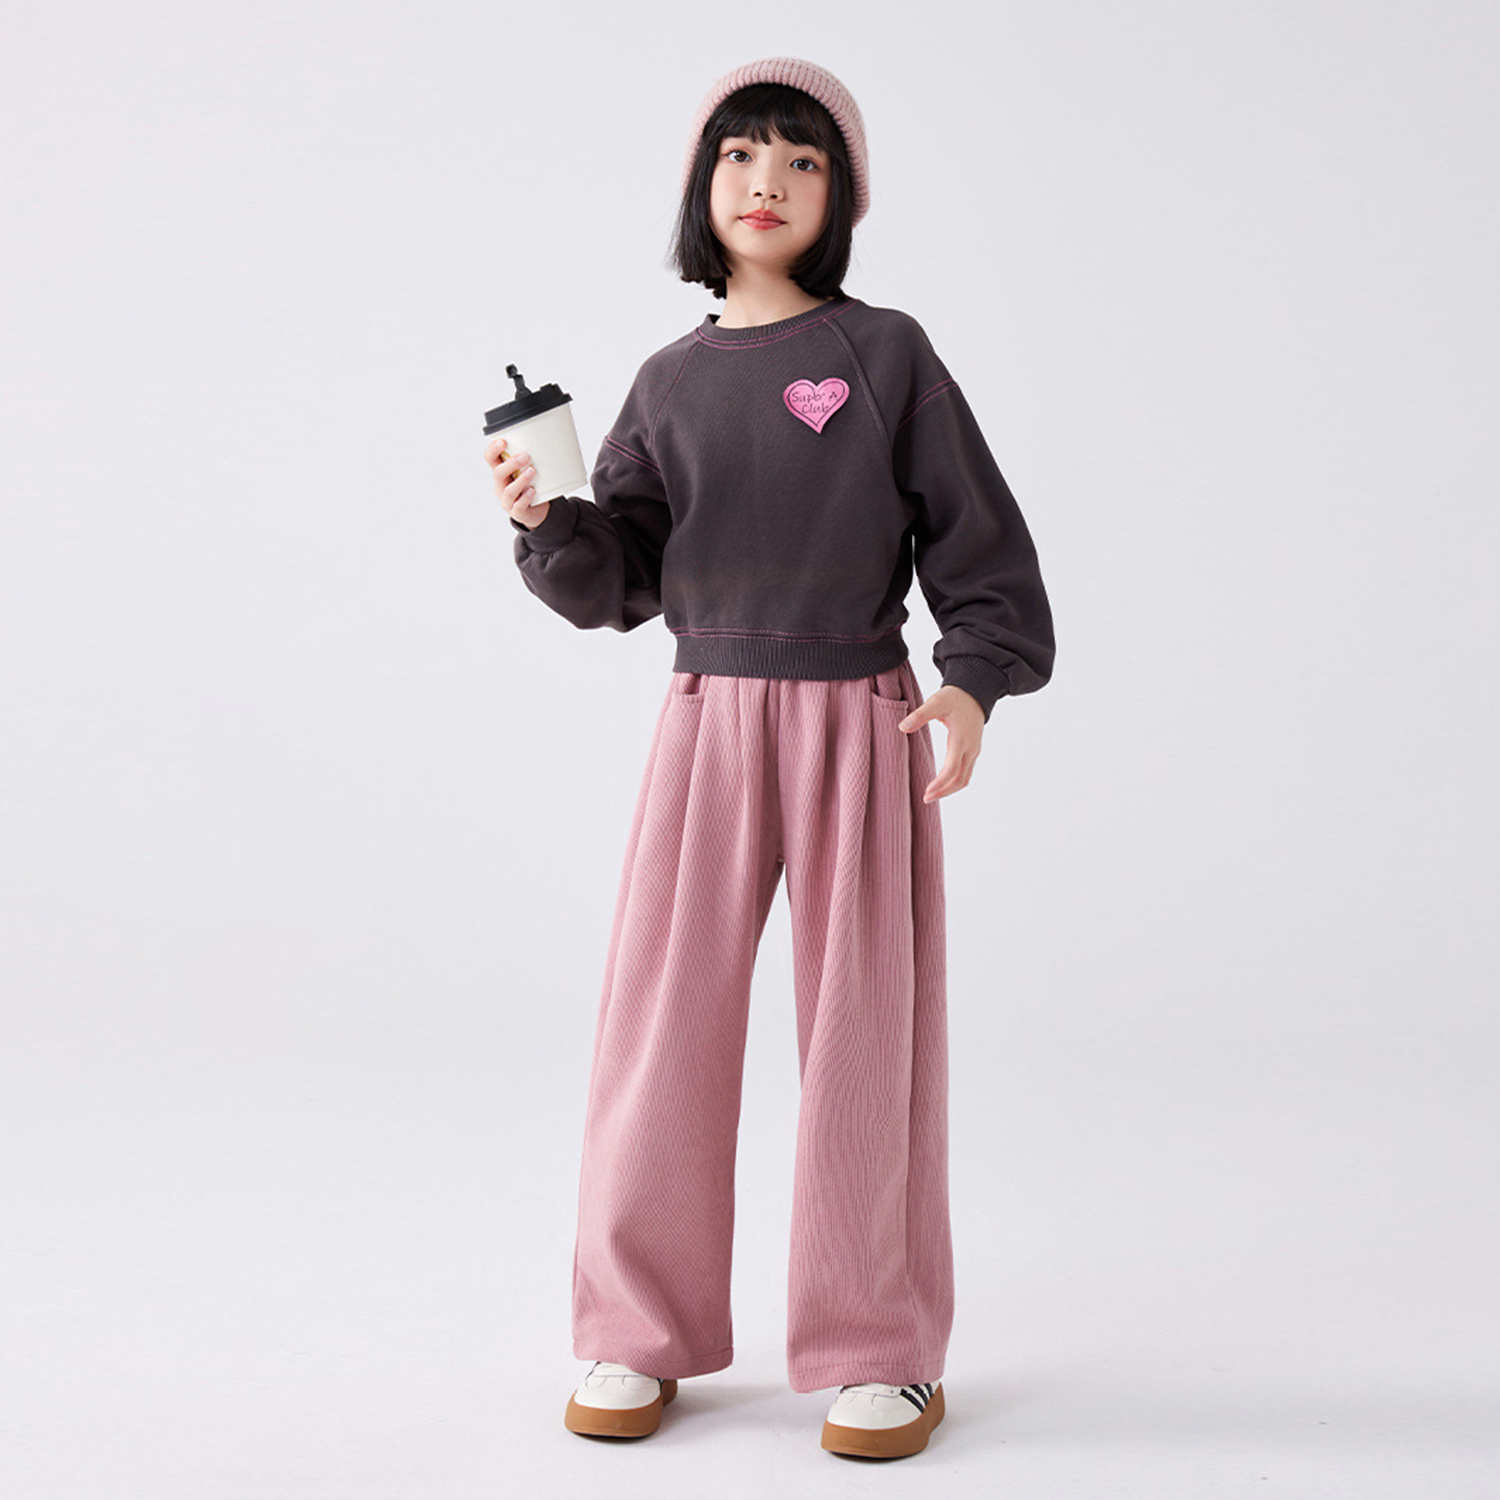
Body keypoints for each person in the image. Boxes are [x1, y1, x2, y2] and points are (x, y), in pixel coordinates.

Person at [482, 56, 1055, 1461]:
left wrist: (972, 686)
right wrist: (545, 520)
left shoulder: (888, 354)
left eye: (804, 160)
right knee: (661, 1025)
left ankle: (881, 1345)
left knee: (867, 1035)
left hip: (865, 715)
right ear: (703, 185)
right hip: (708, 723)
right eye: (742, 154)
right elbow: (620, 578)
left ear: (840, 199)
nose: (768, 180)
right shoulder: (668, 380)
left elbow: (980, 547)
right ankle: (637, 1327)